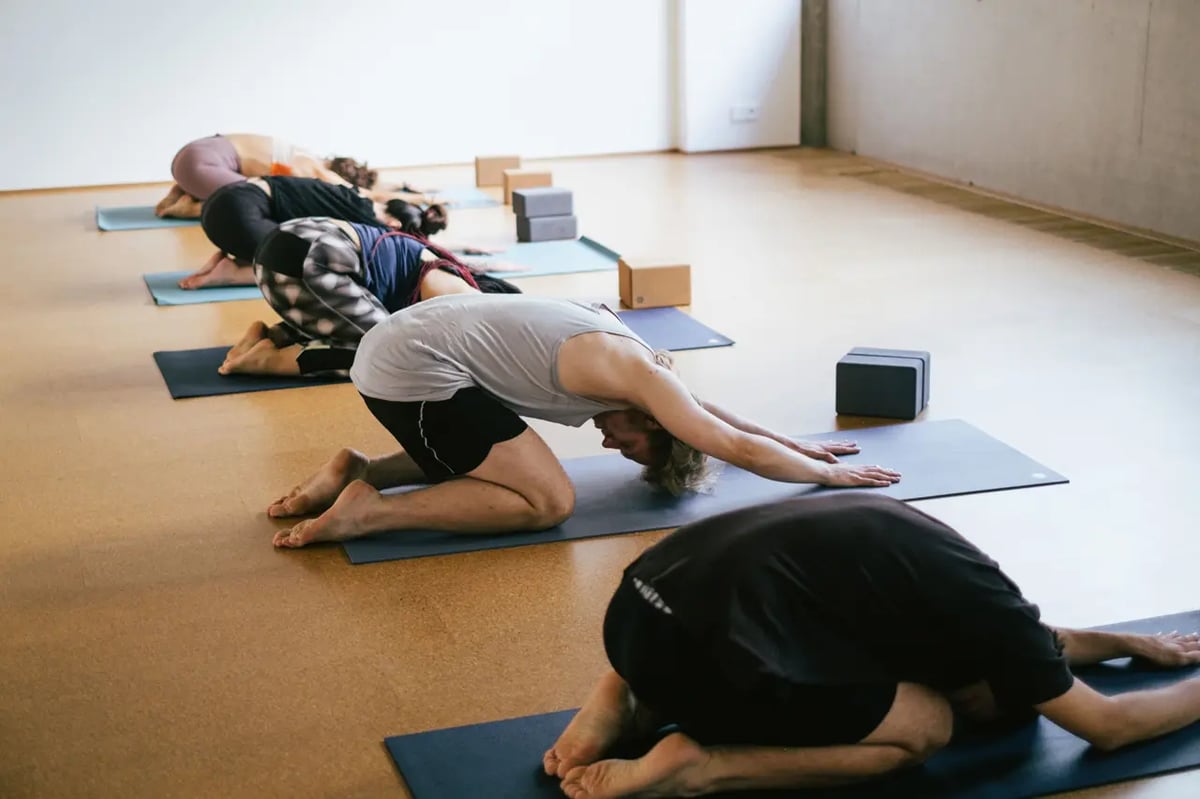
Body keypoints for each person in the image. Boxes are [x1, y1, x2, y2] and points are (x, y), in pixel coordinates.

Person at [541, 493, 1200, 799]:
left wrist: (1123, 642)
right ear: (986, 670)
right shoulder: (991, 621)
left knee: (768, 617)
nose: (967, 704)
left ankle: (628, 699)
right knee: (924, 726)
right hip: (711, 662)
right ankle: (701, 765)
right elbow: (1108, 727)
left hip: (633, 613)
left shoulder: (951, 573)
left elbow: (1037, 643)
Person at [264, 293, 902, 548]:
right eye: (632, 448)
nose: (612, 444)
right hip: (409, 369)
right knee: (546, 500)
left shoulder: (645, 373)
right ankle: (369, 511)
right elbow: (730, 443)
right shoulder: (637, 380)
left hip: (411, 340)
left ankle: (362, 468)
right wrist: (828, 481)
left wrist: (801, 444)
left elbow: (713, 414)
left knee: (500, 452)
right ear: (655, 424)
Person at [218, 220, 520, 377]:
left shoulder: (440, 266)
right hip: (310, 264)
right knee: (384, 353)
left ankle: (270, 337)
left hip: (284, 248)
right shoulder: (464, 294)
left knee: (359, 321)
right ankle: (267, 362)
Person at [180, 175, 458, 289]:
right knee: (307, 264)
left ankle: (236, 258)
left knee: (295, 241)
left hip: (224, 201)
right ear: (394, 225)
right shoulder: (362, 219)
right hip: (237, 217)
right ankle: (233, 272)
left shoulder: (359, 198)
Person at [154, 133, 390, 219]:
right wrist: (418, 198)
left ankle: (183, 191)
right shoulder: (312, 167)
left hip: (189, 155)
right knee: (263, 200)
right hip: (203, 168)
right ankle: (191, 207)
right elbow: (360, 195)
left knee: (253, 181)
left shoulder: (297, 150)